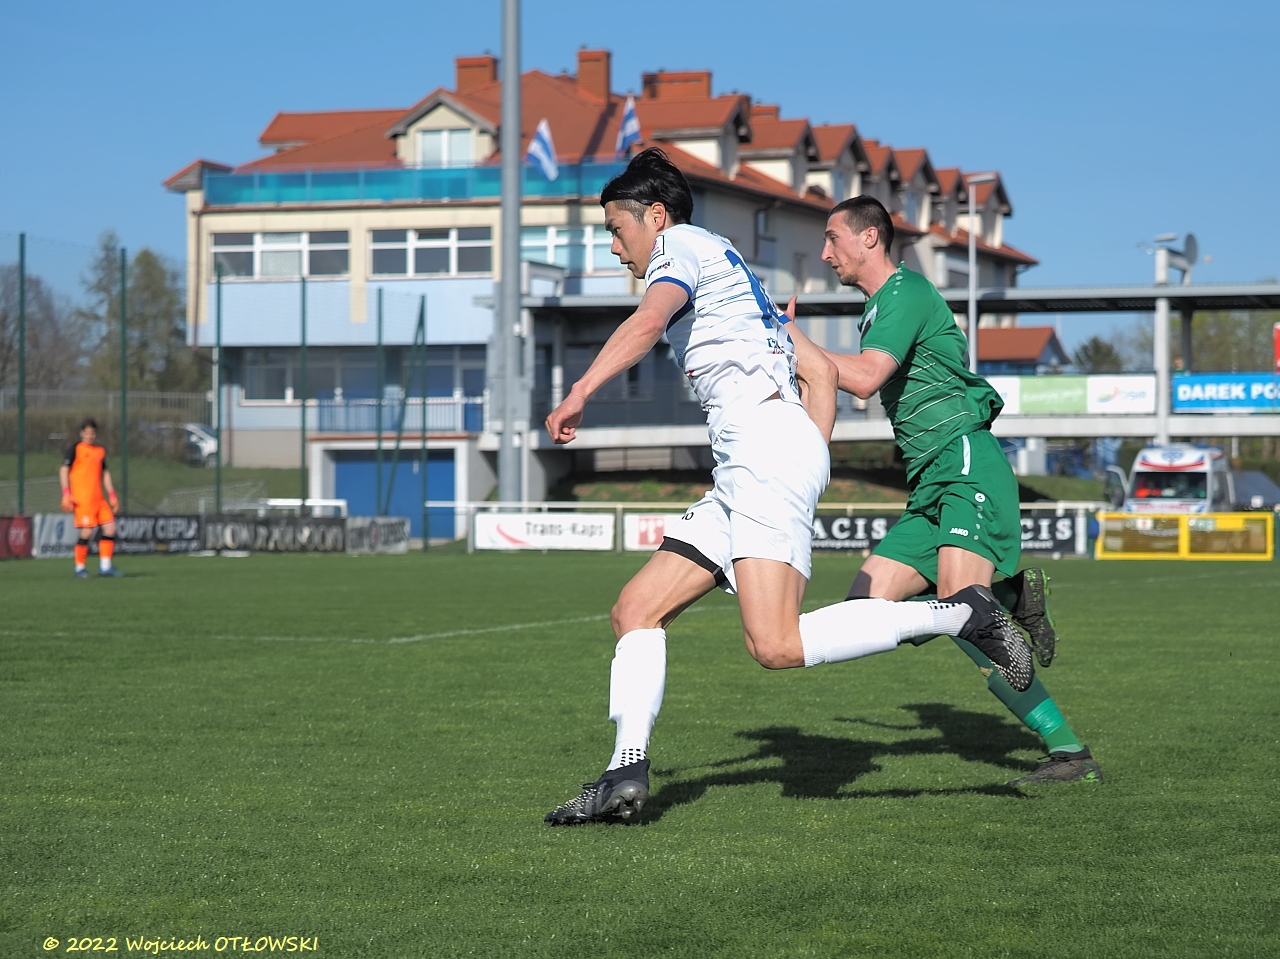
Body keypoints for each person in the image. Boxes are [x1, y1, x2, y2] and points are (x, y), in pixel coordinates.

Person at [541, 150, 1033, 824]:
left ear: (655, 217)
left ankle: (962, 613)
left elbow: (649, 322)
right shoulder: (739, 280)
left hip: (763, 455)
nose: (614, 246)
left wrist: (580, 391)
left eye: (616, 230)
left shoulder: (679, 246)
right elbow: (822, 375)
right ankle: (625, 771)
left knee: (774, 646)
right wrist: (807, 456)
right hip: (759, 460)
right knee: (636, 610)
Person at [811, 195, 1101, 785]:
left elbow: (864, 379)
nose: (824, 253)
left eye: (832, 238)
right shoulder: (876, 309)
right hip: (928, 484)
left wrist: (787, 340)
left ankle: (1070, 755)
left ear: (870, 238)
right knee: (866, 609)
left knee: (959, 602)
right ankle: (1010, 596)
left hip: (965, 461)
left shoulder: (906, 293)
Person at [60, 418, 124, 578]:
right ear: (82, 433)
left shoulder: (99, 451)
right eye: (87, 433)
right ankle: (79, 567)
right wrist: (66, 493)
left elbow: (105, 473)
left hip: (99, 499)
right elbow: (64, 470)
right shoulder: (75, 449)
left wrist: (112, 495)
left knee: (110, 528)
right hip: (82, 499)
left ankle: (105, 567)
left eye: (92, 433)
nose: (90, 436)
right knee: (87, 532)